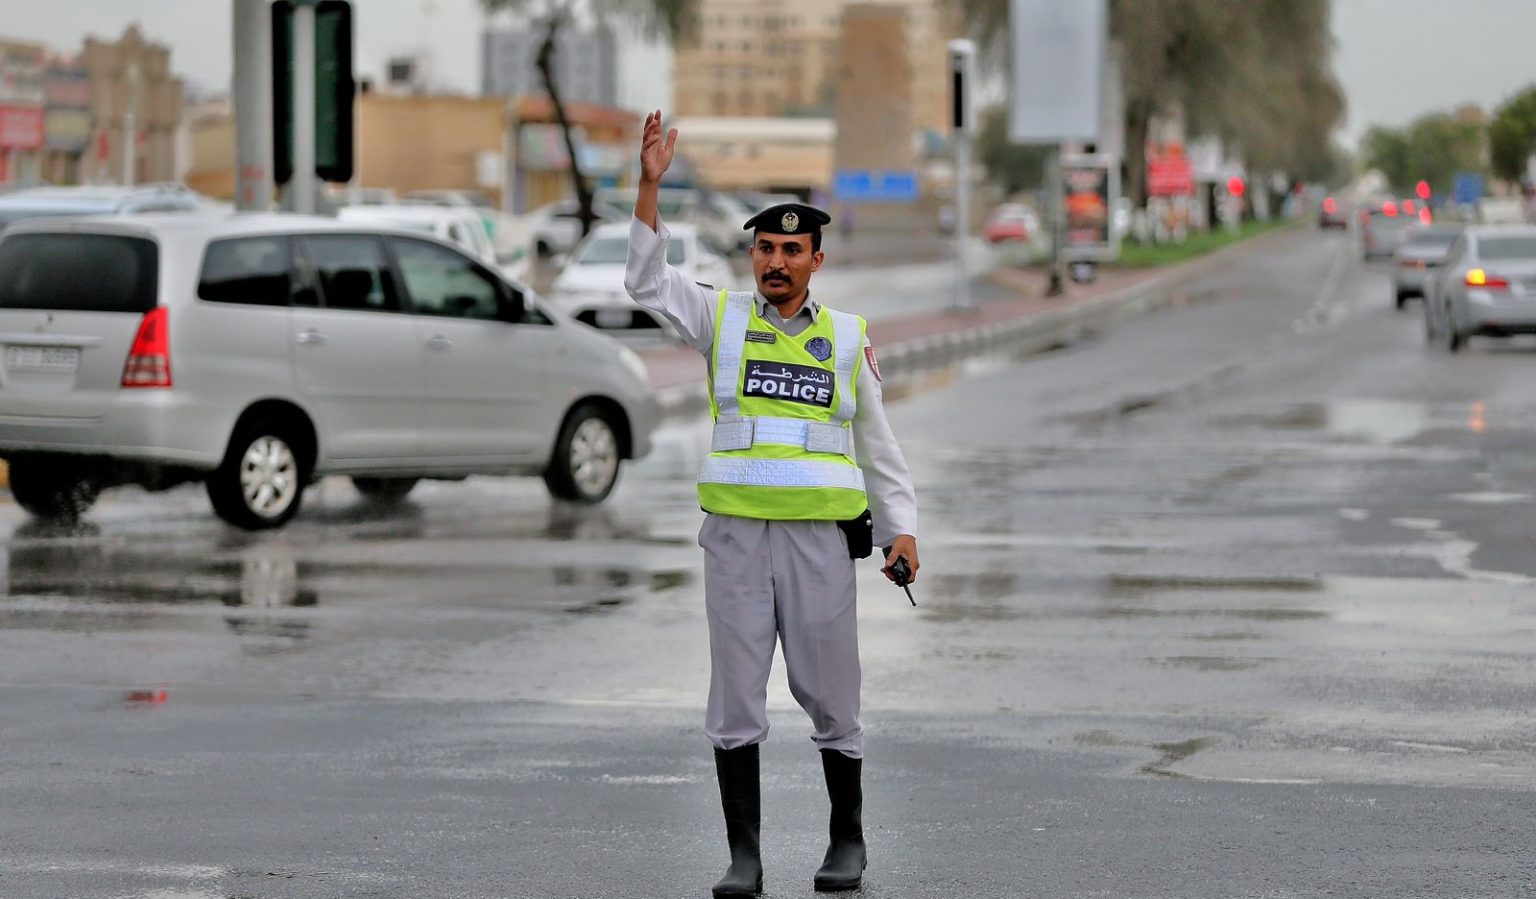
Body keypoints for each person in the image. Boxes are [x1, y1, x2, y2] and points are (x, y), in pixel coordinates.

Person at [624, 110, 919, 897]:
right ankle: (744, 856)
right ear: (751, 255)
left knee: (832, 690)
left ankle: (846, 839)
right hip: (736, 540)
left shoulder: (848, 338)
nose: (777, 261)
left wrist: (902, 531)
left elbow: (878, 445)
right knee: (735, 693)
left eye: (793, 250)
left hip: (820, 541)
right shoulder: (720, 319)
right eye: (766, 248)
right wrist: (649, 185)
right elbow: (646, 281)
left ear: (816, 259)